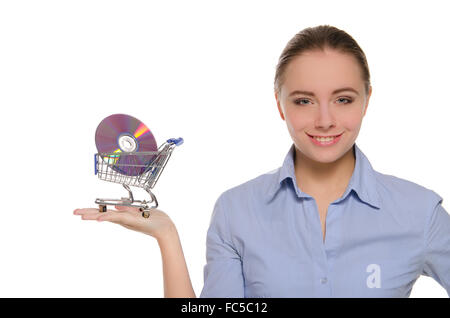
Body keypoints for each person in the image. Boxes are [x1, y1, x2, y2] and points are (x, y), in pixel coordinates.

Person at [74, 25, 450, 298]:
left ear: (367, 99)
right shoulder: (236, 211)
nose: (324, 120)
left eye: (343, 99)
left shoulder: (420, 213)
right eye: (303, 100)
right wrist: (167, 236)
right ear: (279, 105)